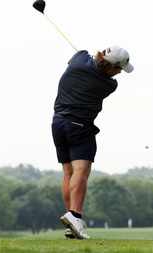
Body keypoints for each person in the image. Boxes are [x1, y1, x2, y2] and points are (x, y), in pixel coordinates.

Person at [51, 46, 133, 239]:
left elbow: (76, 60)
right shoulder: (108, 84)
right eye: (119, 69)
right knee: (81, 171)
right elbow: (100, 72)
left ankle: (72, 221)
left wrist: (89, 59)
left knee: (68, 172)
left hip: (57, 123)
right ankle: (75, 215)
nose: (120, 73)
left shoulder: (80, 57)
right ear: (111, 68)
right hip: (79, 127)